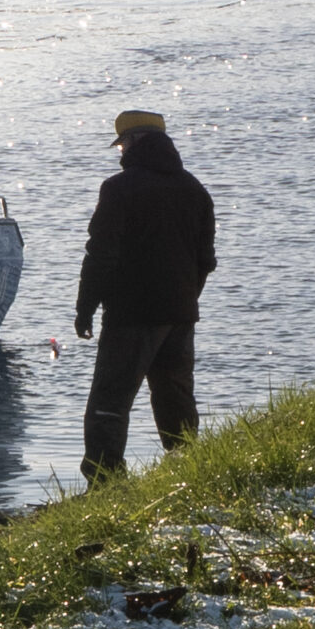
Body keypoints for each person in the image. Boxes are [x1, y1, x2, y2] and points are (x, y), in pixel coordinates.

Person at [73, 109, 216, 481]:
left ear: (134, 142)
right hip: (181, 314)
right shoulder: (195, 190)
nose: (120, 152)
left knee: (109, 401)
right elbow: (206, 260)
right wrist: (184, 299)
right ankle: (187, 470)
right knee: (176, 398)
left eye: (121, 144)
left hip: (131, 315)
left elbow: (100, 253)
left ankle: (106, 480)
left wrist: (85, 307)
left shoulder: (119, 189)